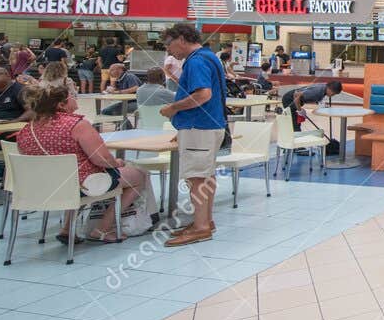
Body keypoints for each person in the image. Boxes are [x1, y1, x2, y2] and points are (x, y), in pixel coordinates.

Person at [15, 81, 147, 243]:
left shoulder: (25, 131)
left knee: (71, 176)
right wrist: (118, 162)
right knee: (139, 176)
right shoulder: (77, 125)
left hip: (43, 188)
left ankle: (67, 229)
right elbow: (102, 159)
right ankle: (103, 228)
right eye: (72, 96)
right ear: (62, 104)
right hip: (79, 186)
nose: (75, 99)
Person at [159, 23, 227, 246]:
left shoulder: (196, 61)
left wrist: (174, 108)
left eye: (169, 45)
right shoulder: (209, 56)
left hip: (199, 126)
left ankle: (201, 227)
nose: (169, 51)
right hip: (207, 125)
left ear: (181, 39)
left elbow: (203, 94)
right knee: (206, 176)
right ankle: (205, 221)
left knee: (197, 178)